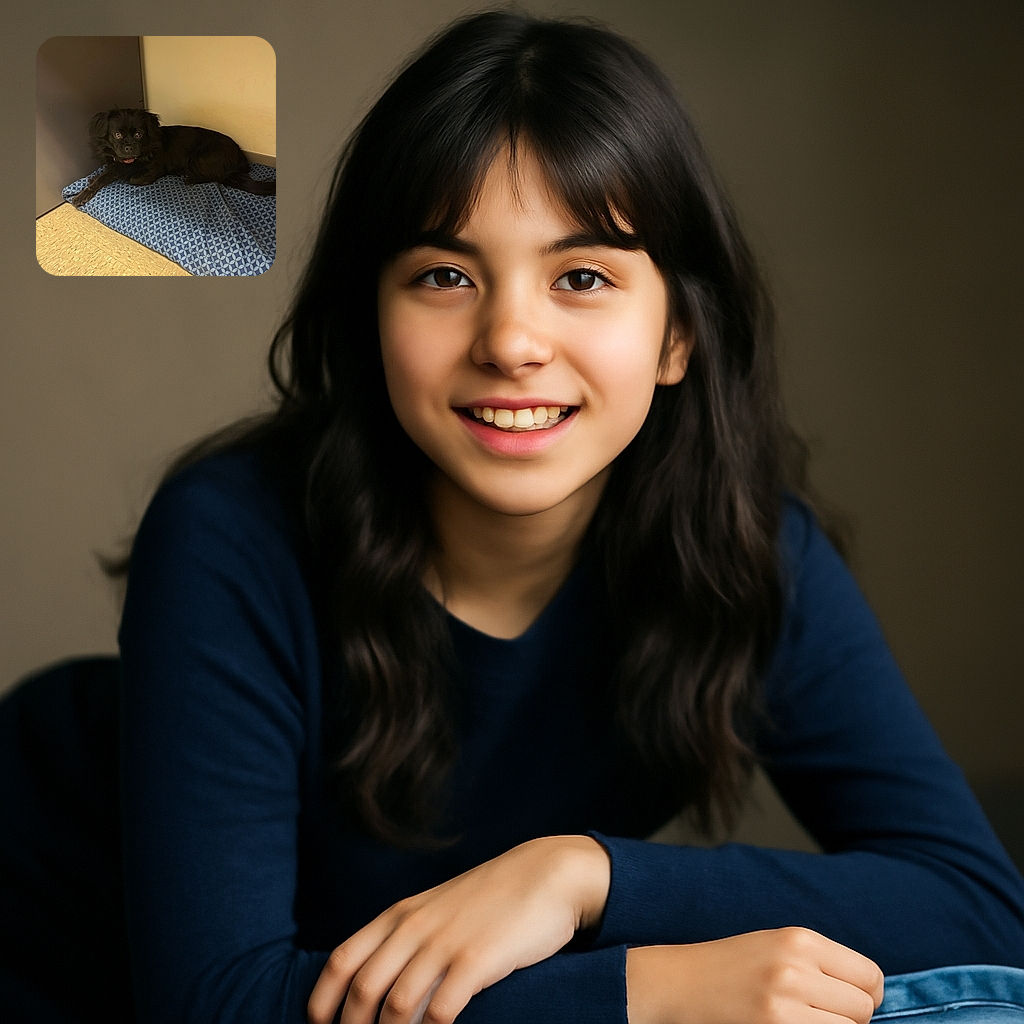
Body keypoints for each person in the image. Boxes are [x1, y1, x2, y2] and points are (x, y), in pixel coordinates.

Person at [106, 9, 1024, 1024]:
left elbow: (979, 909)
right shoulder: (232, 535)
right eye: (444, 276)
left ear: (676, 333)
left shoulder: (736, 546)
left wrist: (583, 877)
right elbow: (215, 1005)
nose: (510, 340)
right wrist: (639, 991)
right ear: (370, 323)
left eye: (581, 276)